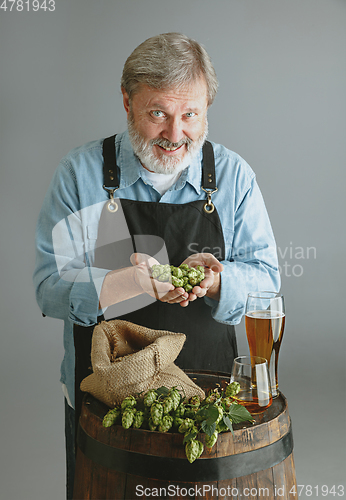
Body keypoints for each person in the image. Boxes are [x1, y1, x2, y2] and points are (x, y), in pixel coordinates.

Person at [33, 32, 280, 499]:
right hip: (108, 403)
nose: (175, 134)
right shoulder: (80, 174)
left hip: (208, 403)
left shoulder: (233, 178)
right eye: (158, 114)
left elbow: (267, 281)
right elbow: (48, 287)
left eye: (191, 115)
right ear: (127, 101)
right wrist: (125, 283)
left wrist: (218, 280)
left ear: (207, 107)